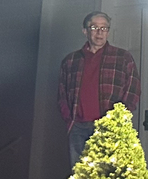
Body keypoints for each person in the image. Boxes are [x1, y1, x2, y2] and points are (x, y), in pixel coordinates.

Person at [57, 11, 141, 163]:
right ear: (85, 31)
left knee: (107, 176)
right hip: (78, 128)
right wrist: (69, 119)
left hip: (108, 127)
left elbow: (133, 90)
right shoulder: (70, 61)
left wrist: (118, 119)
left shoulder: (122, 58)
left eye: (104, 28)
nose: (100, 32)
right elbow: (62, 93)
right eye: (95, 27)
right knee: (79, 178)